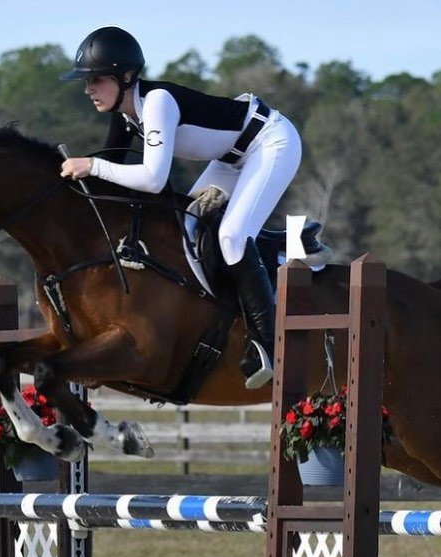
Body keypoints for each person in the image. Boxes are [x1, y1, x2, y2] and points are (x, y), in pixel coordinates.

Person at [60, 26, 302, 389]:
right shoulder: (125, 114)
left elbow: (153, 179)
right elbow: (109, 170)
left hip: (270, 142)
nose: (88, 88)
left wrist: (91, 165)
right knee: (188, 227)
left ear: (126, 77)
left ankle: (266, 344)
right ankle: (288, 242)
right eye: (87, 81)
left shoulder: (156, 102)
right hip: (231, 157)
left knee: (233, 236)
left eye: (96, 79)